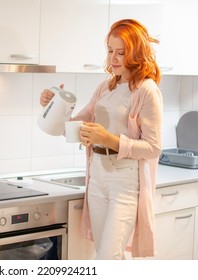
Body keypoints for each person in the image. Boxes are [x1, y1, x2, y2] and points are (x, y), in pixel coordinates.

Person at [39, 19, 163, 259]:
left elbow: (154, 148)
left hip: (124, 182)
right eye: (110, 51)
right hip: (97, 178)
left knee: (108, 257)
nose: (113, 58)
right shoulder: (106, 87)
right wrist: (53, 104)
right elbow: (75, 127)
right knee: (105, 254)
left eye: (121, 52)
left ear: (136, 53)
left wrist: (108, 139)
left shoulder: (147, 90)